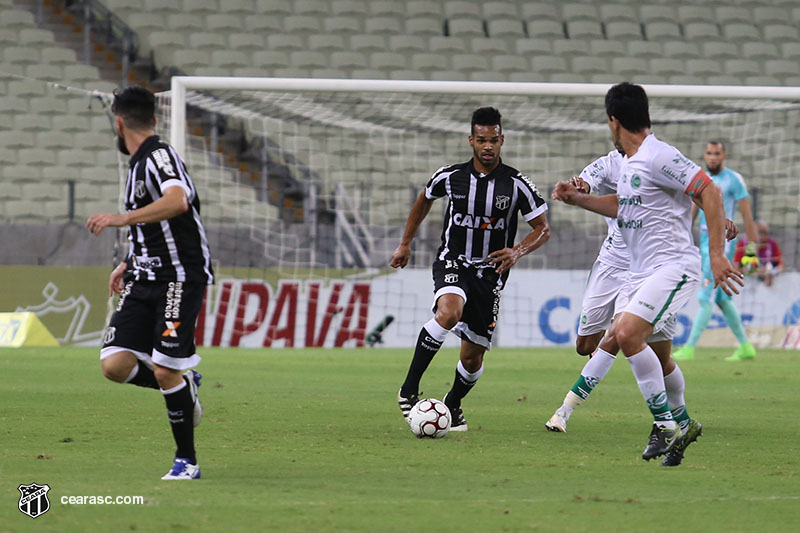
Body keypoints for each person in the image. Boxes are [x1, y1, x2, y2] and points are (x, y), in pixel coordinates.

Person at [552, 82, 743, 464]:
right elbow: (624, 206)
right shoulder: (631, 161)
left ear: (614, 121)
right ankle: (683, 422)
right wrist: (580, 199)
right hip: (641, 273)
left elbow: (710, 191)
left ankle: (666, 428)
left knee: (624, 333)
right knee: (659, 355)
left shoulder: (658, 155)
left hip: (673, 266)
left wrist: (718, 254)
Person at [390, 107, 550, 432]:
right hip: (454, 260)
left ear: (502, 140)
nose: (487, 146)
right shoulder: (450, 177)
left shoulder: (516, 184)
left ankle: (452, 405)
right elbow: (423, 199)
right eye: (481, 140)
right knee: (449, 312)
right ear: (471, 141)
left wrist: (518, 250)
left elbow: (543, 228)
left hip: (490, 275)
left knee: (472, 358)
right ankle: (408, 389)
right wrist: (405, 242)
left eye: (493, 140)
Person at [85, 85, 214, 480]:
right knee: (115, 363)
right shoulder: (137, 166)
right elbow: (156, 226)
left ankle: (186, 462)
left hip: (179, 277)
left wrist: (121, 219)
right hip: (145, 276)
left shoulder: (159, 156)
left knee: (163, 369)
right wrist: (128, 260)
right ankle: (183, 386)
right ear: (153, 119)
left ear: (118, 122)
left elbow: (178, 201)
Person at [673, 141, 758, 362]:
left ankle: (689, 348)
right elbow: (692, 209)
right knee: (721, 300)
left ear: (724, 156)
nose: (712, 157)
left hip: (721, 245)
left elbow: (747, 216)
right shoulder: (701, 178)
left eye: (717, 154)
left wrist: (752, 249)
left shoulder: (733, 179)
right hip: (703, 243)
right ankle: (746, 347)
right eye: (709, 153)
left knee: (705, 297)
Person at [734, 221, 784, 287]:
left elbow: (781, 264)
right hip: (747, 282)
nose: (762, 236)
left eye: (765, 233)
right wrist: (757, 272)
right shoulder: (743, 243)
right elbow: (736, 266)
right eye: (760, 232)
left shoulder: (771, 243)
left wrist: (772, 272)